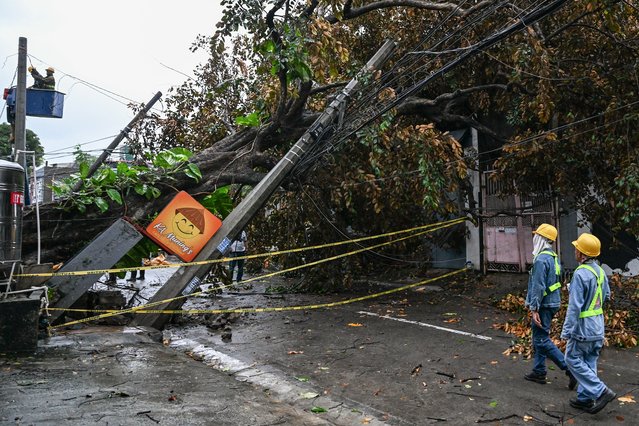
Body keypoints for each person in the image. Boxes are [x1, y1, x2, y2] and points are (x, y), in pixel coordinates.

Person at [561, 233, 616, 414]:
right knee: (589, 360)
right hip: (597, 326)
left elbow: (574, 307)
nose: (575, 250)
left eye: (577, 248)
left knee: (572, 358)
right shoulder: (600, 272)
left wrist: (566, 331)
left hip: (582, 327)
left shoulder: (580, 274)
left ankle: (601, 391)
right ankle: (585, 398)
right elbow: (606, 296)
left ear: (583, 254)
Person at [524, 223, 576, 390]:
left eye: (536, 235)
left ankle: (569, 369)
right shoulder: (553, 257)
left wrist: (534, 309)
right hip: (553, 302)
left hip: (544, 304)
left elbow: (538, 286)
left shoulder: (540, 260)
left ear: (541, 238)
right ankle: (539, 371)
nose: (533, 238)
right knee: (538, 337)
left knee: (541, 339)